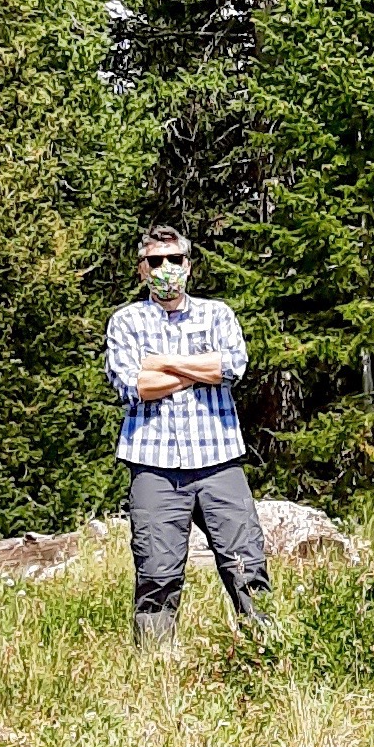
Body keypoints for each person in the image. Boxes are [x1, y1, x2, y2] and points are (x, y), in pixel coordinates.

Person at [105, 226, 271, 645]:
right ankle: (156, 673)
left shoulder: (218, 314)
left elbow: (231, 368)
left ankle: (268, 652)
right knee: (157, 573)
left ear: (189, 266)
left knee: (246, 565)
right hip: (154, 467)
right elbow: (133, 385)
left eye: (174, 260)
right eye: (155, 261)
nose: (166, 269)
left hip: (219, 462)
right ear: (141, 270)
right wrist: (198, 368)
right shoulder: (125, 321)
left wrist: (162, 364)